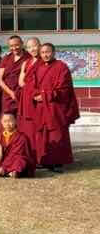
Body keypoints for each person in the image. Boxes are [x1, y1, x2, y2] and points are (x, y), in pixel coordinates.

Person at [31, 43, 77, 171]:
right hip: (41, 106)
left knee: (56, 133)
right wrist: (35, 95)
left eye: (48, 52)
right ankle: (43, 160)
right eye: (43, 52)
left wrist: (45, 95)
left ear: (54, 52)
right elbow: (32, 84)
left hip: (55, 106)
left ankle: (57, 162)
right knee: (42, 133)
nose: (45, 55)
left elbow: (64, 88)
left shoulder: (61, 67)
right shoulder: (38, 68)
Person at [0, 113, 36, 178]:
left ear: (15, 121)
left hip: (14, 159)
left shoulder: (22, 137)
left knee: (20, 161)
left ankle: (5, 172)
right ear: (2, 123)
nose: (8, 124)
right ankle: (7, 172)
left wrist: (3, 168)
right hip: (5, 160)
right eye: (5, 121)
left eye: (10, 121)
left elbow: (15, 154)